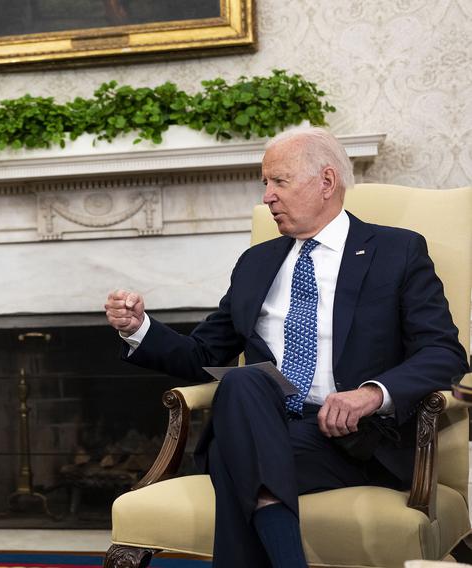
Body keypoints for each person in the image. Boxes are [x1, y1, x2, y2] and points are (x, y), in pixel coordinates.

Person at [104, 126, 469, 568]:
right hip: (268, 424)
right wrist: (140, 328)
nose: (267, 198)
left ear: (327, 182)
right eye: (265, 184)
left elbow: (444, 352)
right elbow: (202, 356)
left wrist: (371, 394)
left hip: (357, 440)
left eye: (279, 181)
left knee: (235, 454)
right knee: (242, 383)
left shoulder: (396, 251)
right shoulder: (257, 263)